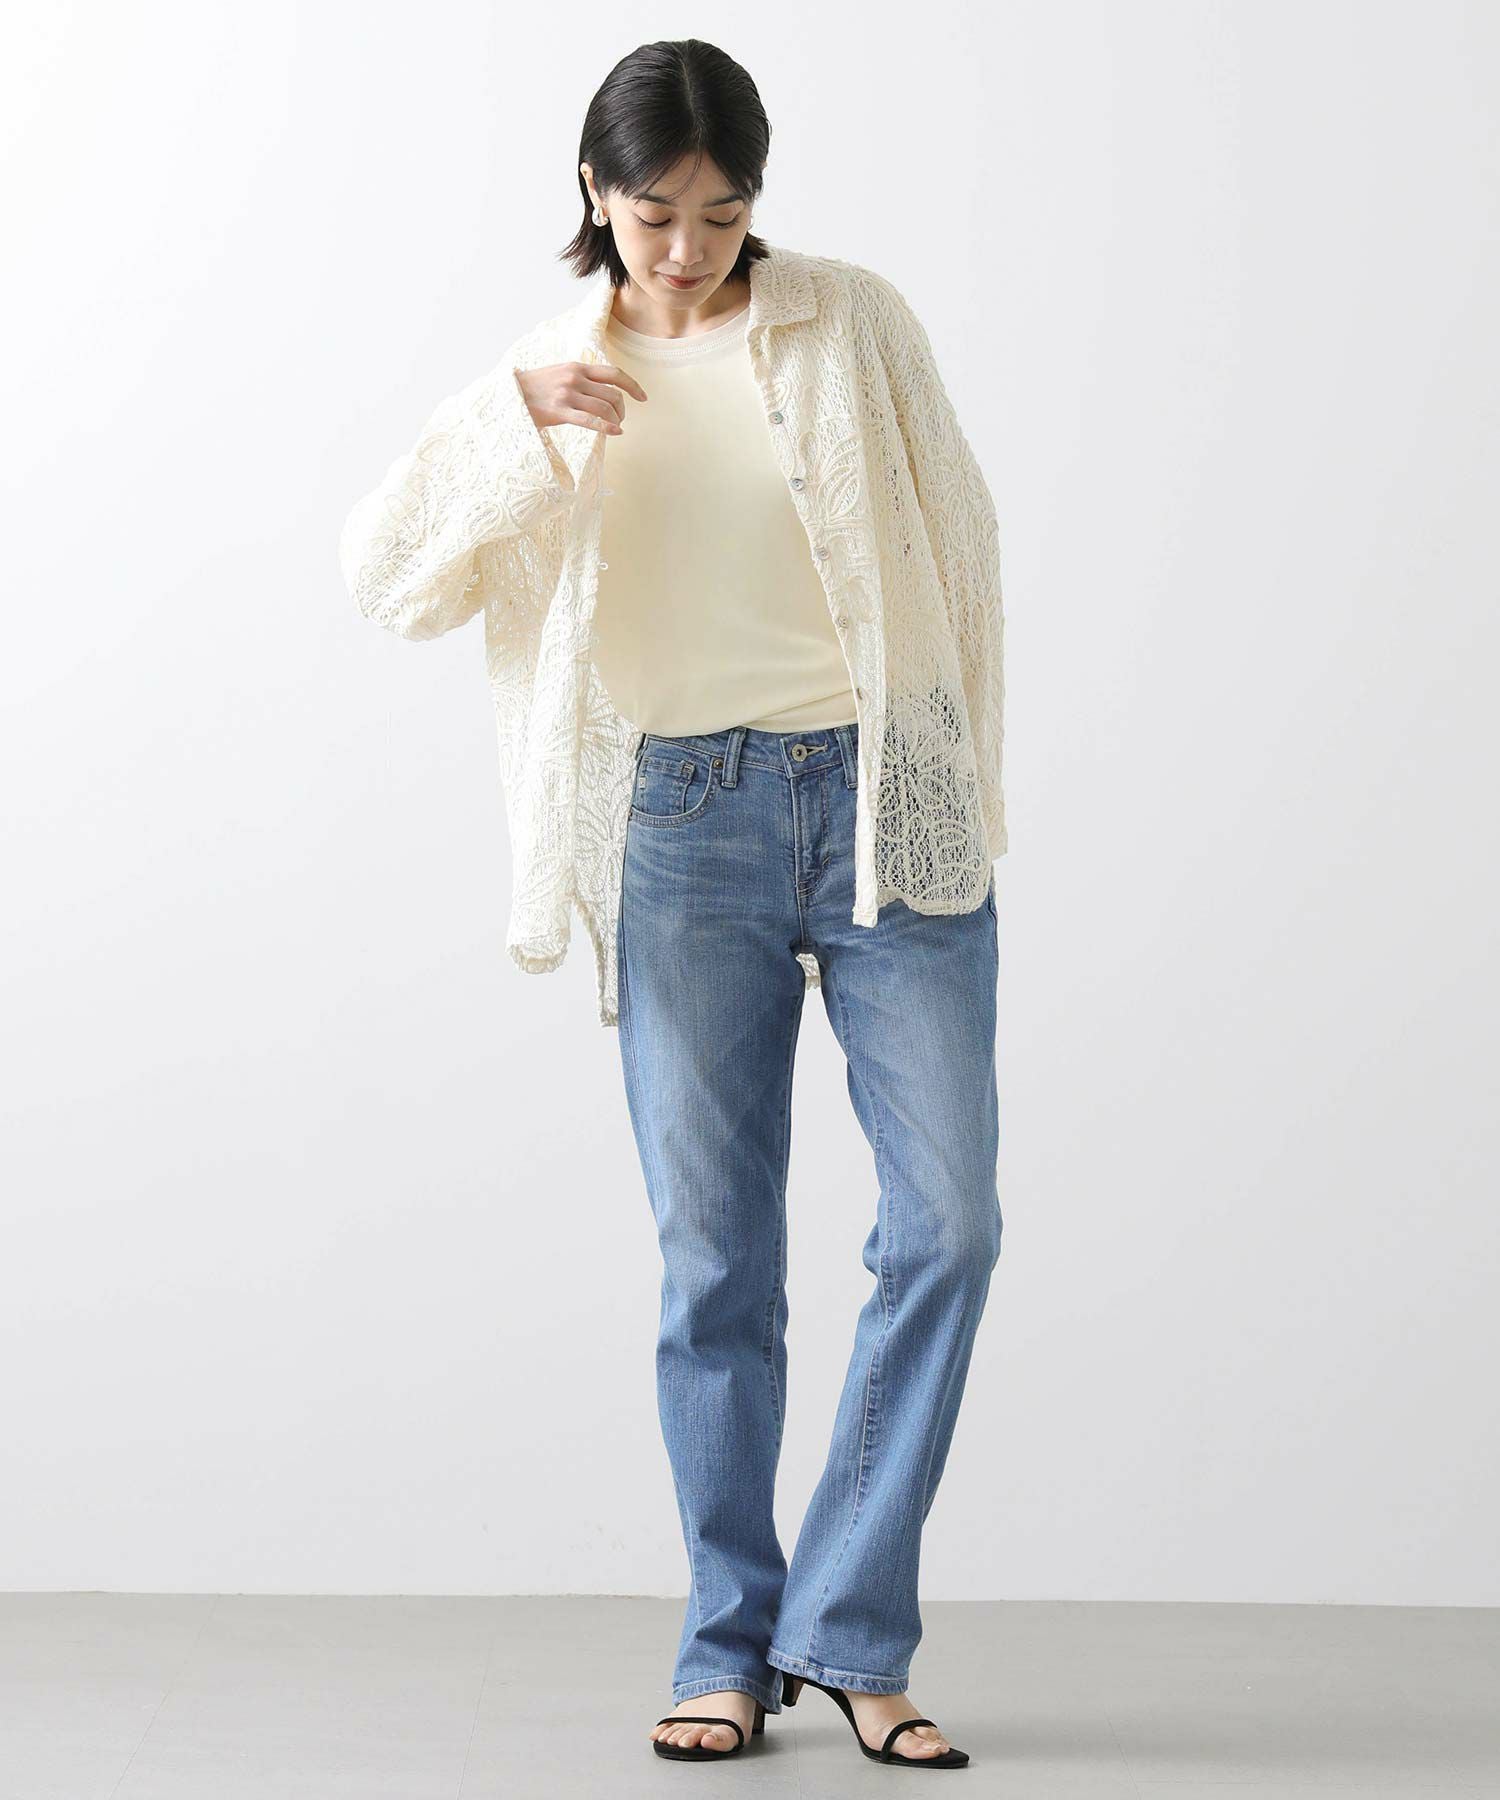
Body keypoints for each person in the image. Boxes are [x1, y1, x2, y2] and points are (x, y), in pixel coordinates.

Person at [340, 36, 1006, 1772]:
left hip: (883, 804)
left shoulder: (852, 323)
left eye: (722, 212)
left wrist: (958, 783)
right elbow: (389, 583)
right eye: (657, 215)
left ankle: (847, 1630)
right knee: (716, 1264)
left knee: (949, 1224)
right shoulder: (548, 372)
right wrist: (504, 432)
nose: (691, 248)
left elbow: (963, 544)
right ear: (597, 191)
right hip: (679, 827)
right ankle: (728, 1642)